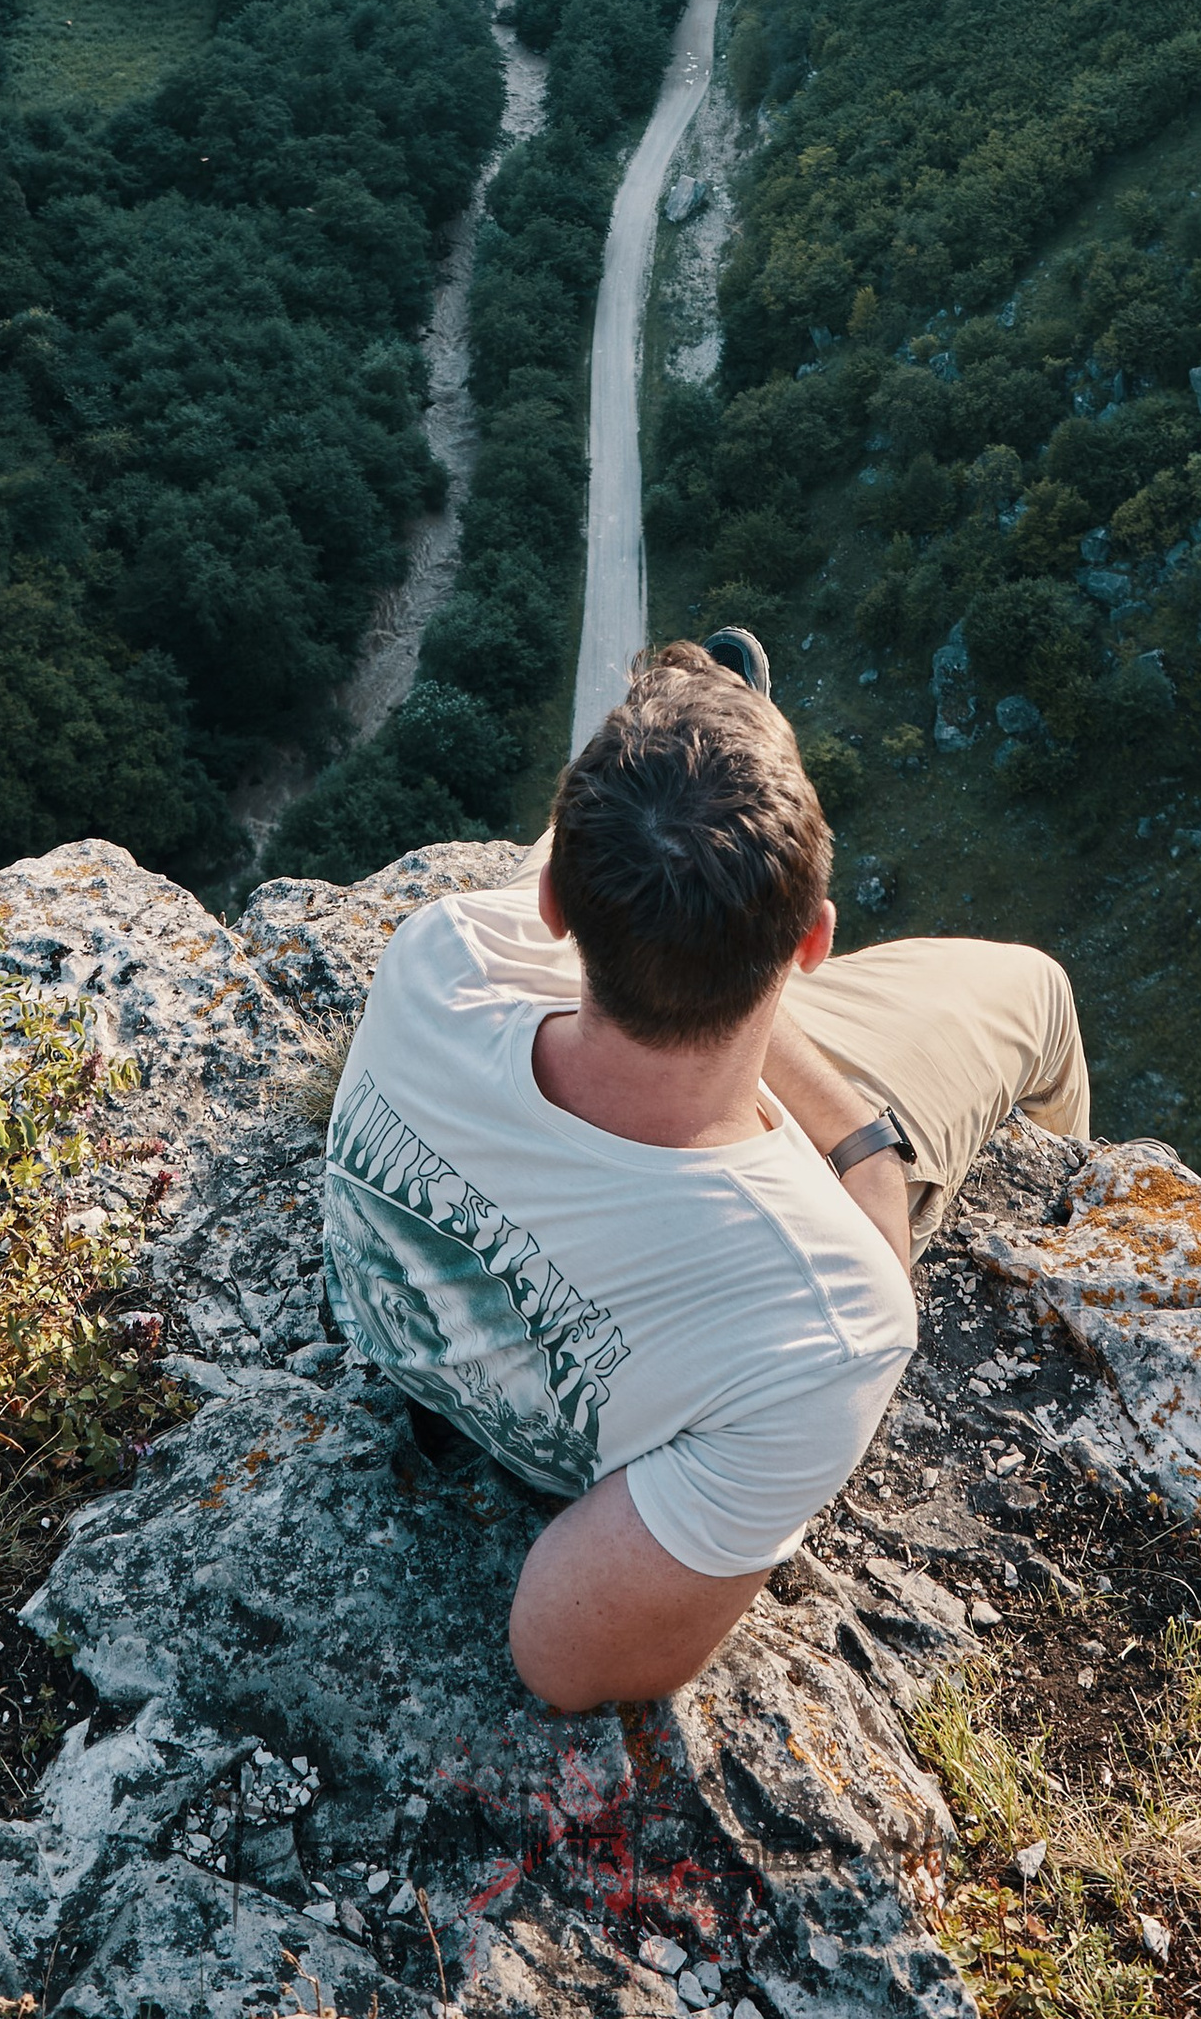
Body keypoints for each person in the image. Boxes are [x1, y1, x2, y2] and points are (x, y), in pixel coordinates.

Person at [321, 634, 1089, 1713]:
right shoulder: (826, 1328)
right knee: (1037, 994)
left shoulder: (441, 962)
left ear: (554, 901)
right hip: (768, 1106)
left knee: (662, 906)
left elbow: (559, 878)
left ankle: (693, 805)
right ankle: (1061, 1183)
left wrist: (648, 823)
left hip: (639, 1015)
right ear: (815, 940)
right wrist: (865, 1156)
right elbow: (564, 1660)